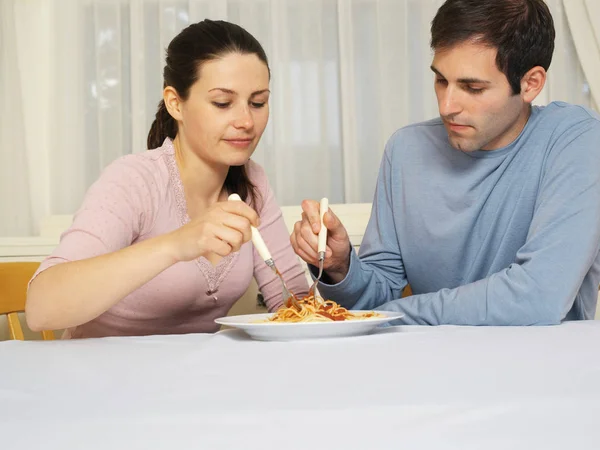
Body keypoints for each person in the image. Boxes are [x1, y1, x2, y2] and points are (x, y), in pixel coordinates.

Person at [291, 0, 600, 326]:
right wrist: (341, 268)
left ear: (530, 83)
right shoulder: (405, 150)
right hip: (427, 365)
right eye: (441, 80)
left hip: (544, 369)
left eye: (472, 87)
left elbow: (539, 297)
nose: (447, 105)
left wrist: (398, 314)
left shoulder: (576, 140)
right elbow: (374, 303)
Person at [26, 19, 308, 338]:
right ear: (176, 103)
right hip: (101, 379)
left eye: (258, 102)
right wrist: (177, 244)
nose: (246, 121)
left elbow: (293, 307)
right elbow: (40, 308)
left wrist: (333, 267)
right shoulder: (135, 180)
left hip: (191, 382)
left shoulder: (252, 183)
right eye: (222, 103)